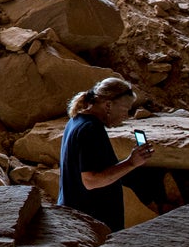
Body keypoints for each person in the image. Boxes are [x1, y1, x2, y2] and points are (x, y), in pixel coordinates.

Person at [58, 77, 154, 231]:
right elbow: (91, 181)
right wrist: (131, 163)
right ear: (108, 105)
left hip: (78, 218)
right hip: (90, 223)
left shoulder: (77, 121)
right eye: (125, 109)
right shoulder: (90, 129)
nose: (127, 116)